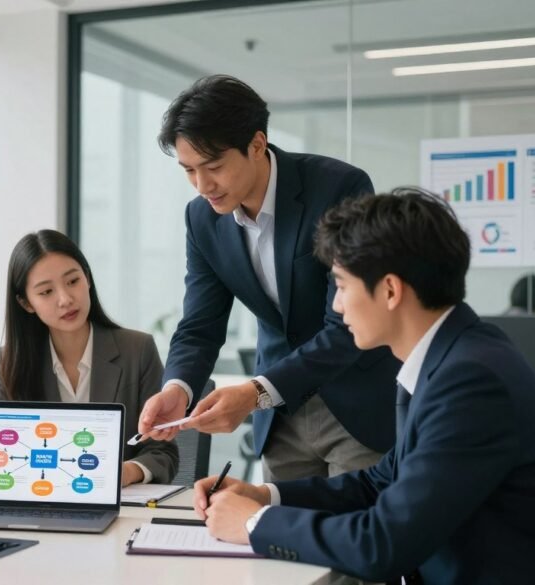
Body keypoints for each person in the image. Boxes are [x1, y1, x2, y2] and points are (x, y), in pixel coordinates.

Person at [193, 188, 535, 583]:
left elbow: (382, 544)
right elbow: (379, 483)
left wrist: (255, 524)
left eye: (341, 285)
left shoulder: (471, 381)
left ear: (390, 290)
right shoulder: (452, 355)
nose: (336, 306)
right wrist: (266, 497)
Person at [138, 74, 400, 482]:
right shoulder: (202, 218)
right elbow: (199, 327)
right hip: (280, 418)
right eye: (189, 170)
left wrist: (255, 392)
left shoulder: (339, 188)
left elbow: (349, 321)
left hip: (354, 403)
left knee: (352, 535)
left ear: (257, 145)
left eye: (214, 167)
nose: (203, 185)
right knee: (281, 539)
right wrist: (178, 389)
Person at [0, 230, 179, 485]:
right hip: (42, 503)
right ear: (26, 303)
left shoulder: (138, 350)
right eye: (46, 292)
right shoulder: (9, 362)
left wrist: (127, 472)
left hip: (121, 507)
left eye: (72, 281)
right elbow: (1, 455)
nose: (66, 299)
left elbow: (163, 451)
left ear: (87, 278)